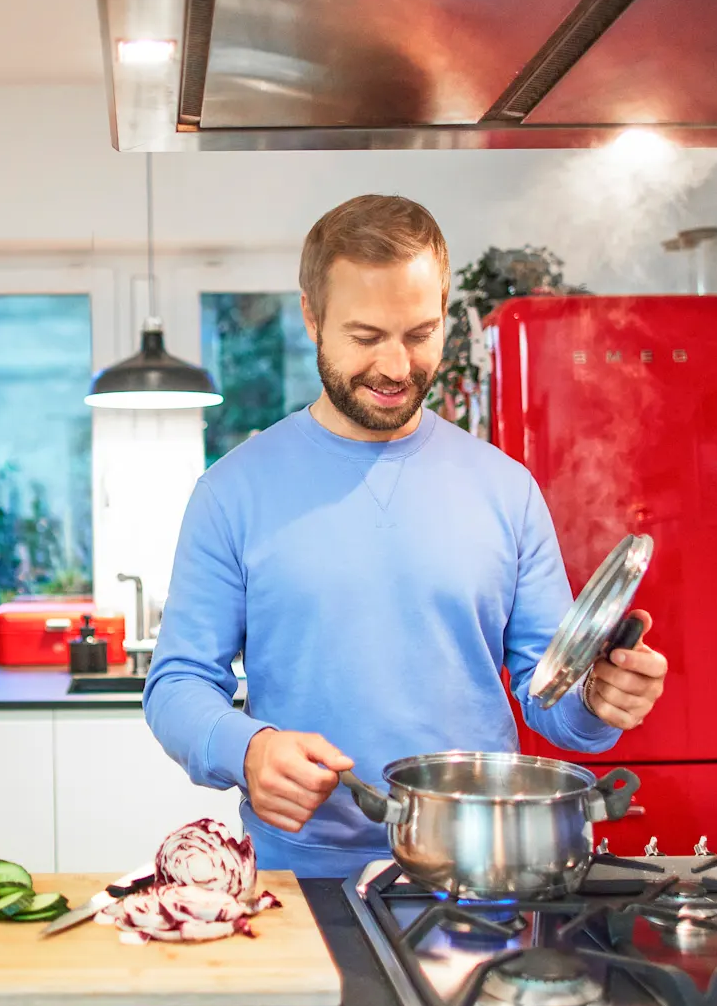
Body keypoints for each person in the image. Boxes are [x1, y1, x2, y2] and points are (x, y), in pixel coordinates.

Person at [144, 195, 670, 879]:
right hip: (298, 878)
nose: (396, 367)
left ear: (447, 313)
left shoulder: (505, 489)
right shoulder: (232, 491)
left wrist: (600, 703)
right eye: (365, 336)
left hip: (486, 866)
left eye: (420, 333)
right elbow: (177, 685)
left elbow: (554, 701)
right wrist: (246, 748)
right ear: (311, 316)